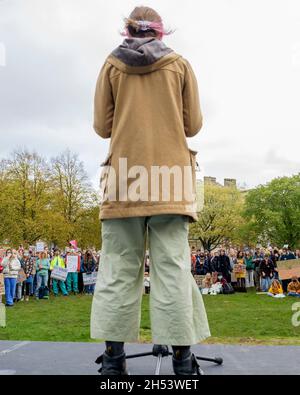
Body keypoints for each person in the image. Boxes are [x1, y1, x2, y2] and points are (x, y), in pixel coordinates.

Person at [91, 6, 210, 376]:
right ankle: (182, 360)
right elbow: (193, 126)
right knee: (172, 269)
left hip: (125, 175)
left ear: (127, 30)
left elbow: (101, 126)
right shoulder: (180, 66)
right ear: (161, 33)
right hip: (170, 177)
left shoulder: (111, 65)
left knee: (117, 268)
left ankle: (113, 360)